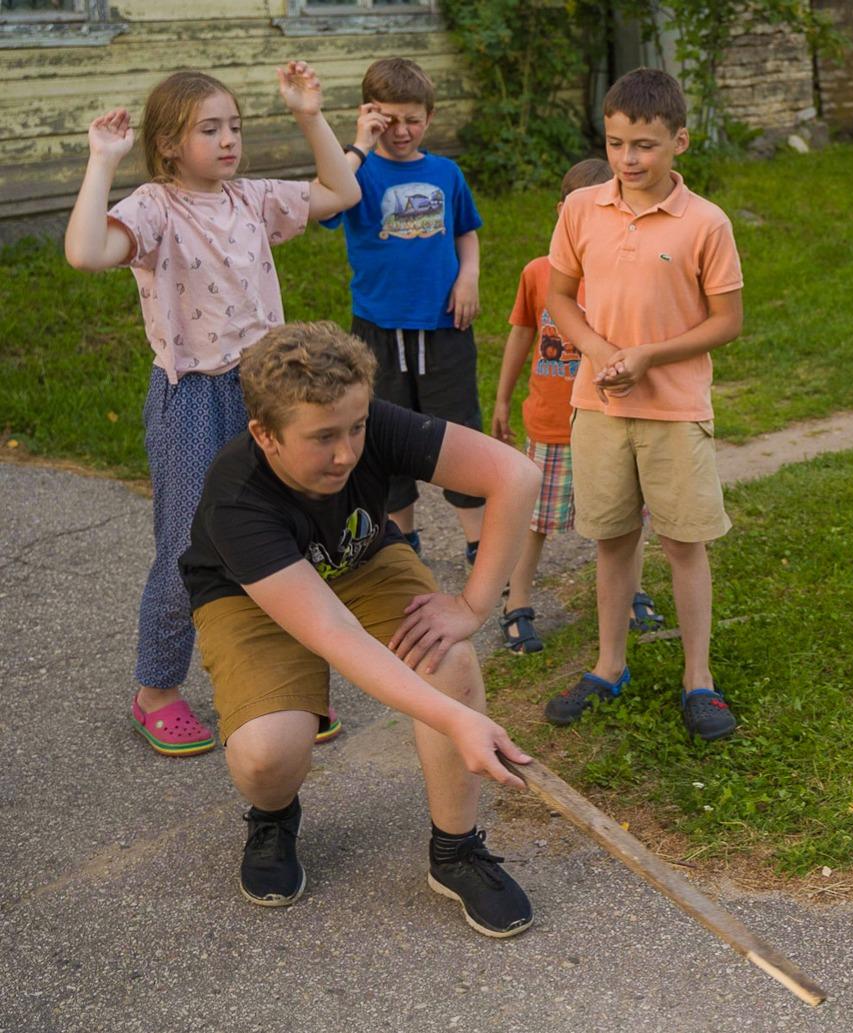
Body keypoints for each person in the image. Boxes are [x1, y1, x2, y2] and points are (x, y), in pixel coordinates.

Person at [179, 320, 540, 937]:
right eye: (323, 437)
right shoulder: (237, 498)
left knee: (449, 661)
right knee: (267, 753)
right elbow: (335, 632)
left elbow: (516, 476)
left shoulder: (362, 420)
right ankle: (273, 816)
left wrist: (473, 606)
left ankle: (455, 852)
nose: (347, 453)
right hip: (251, 595)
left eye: (356, 427)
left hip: (359, 558)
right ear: (265, 434)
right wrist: (458, 721)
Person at [64, 63, 361, 758]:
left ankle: (282, 683)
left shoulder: (252, 198)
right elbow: (84, 251)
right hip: (194, 397)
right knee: (187, 545)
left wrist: (308, 114)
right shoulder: (155, 208)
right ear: (169, 144)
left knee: (284, 536)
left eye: (234, 126)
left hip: (271, 392)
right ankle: (156, 691)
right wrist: (102, 160)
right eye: (209, 130)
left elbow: (341, 192)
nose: (228, 140)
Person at [542, 69, 744, 741]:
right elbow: (560, 296)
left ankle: (698, 679)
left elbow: (727, 320)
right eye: (616, 143)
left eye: (645, 146)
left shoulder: (706, 223)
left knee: (684, 541)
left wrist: (649, 357)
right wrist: (601, 352)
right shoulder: (581, 209)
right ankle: (609, 665)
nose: (628, 159)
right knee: (612, 539)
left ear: (679, 141)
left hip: (675, 410)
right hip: (598, 407)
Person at [490, 157, 664, 655]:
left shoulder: (627, 271)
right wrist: (502, 397)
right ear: (561, 213)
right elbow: (521, 335)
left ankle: (630, 594)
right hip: (551, 422)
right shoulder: (538, 273)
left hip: (613, 418)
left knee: (627, 519)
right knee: (535, 519)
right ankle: (516, 601)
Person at [322, 57, 485, 563]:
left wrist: (469, 275)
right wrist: (359, 145)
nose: (401, 131)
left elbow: (466, 230)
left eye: (413, 120)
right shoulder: (356, 174)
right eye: (388, 120)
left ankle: (480, 541)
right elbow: (325, 206)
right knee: (382, 432)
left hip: (443, 326)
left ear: (429, 117)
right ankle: (402, 539)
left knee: (458, 430)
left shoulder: (446, 173)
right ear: (368, 115)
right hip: (378, 329)